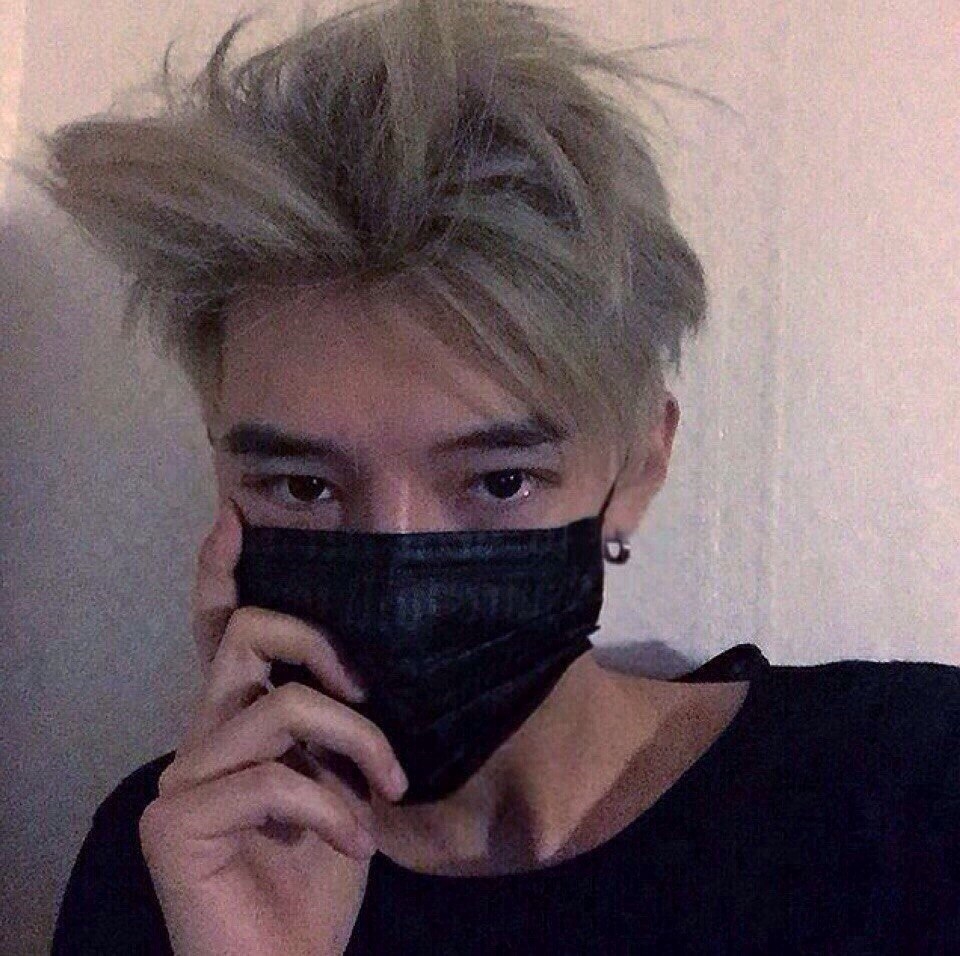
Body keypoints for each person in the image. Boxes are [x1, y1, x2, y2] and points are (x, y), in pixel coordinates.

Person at [14, 0, 955, 952]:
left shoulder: (913, 788)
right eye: (304, 487)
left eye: (500, 481)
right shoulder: (177, 861)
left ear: (639, 464)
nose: (399, 574)